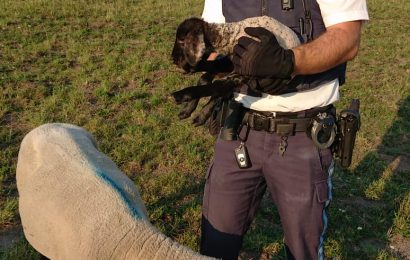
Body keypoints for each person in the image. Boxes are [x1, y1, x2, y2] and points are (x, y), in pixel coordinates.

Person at [198, 0, 369, 259]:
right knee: (214, 247)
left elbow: (347, 38)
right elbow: (212, 43)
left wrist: (288, 62)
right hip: (238, 130)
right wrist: (210, 62)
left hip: (303, 135)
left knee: (303, 252)